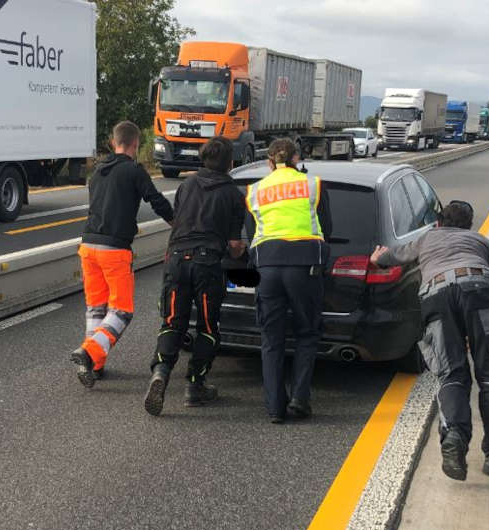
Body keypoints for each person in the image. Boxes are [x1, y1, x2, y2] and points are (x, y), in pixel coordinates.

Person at [371, 201, 489, 480]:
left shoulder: (428, 238)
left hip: (436, 297)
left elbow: (398, 256)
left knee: (451, 373)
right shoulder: (480, 241)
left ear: (439, 223)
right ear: (469, 225)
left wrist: (379, 257)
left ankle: (454, 438)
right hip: (479, 290)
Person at [143, 137, 247, 415]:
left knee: (173, 321)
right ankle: (195, 385)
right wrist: (242, 253)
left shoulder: (186, 185)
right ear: (230, 163)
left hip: (176, 260)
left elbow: (179, 221)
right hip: (207, 264)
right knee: (207, 327)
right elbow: (235, 246)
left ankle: (161, 373)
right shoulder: (235, 195)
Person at [70, 120, 174, 388]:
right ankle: (89, 352)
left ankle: (95, 365)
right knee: (122, 311)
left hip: (87, 247)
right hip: (113, 250)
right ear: (135, 144)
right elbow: (157, 201)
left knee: (96, 309)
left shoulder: (98, 171)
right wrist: (179, 223)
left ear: (113, 142)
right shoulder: (134, 170)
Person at [244, 138, 332, 423]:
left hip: (267, 266)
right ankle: (299, 399)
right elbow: (326, 228)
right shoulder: (313, 185)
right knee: (307, 332)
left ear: (269, 162)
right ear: (298, 159)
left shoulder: (255, 191)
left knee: (271, 339)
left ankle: (274, 408)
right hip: (305, 265)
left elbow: (252, 231)